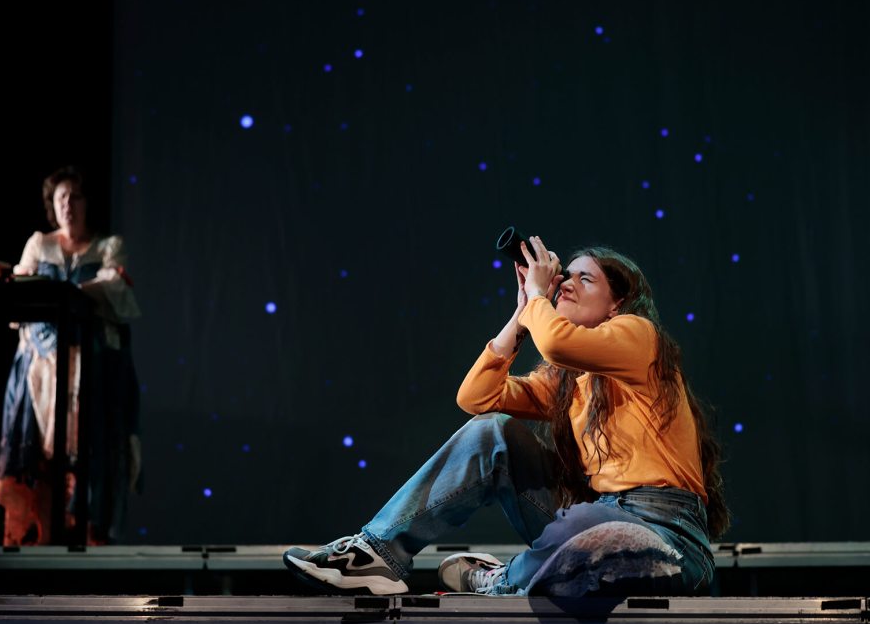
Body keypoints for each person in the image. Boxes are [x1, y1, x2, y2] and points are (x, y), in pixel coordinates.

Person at [284, 235, 728, 596]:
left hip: (664, 535)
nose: (565, 285)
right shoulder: (568, 382)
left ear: (618, 303)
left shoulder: (640, 334)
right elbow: (477, 397)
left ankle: (504, 578)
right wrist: (521, 314)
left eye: (585, 278)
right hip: (597, 519)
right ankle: (377, 553)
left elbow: (555, 342)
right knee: (493, 434)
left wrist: (537, 297)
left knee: (586, 529)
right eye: (565, 278)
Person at [0, 165, 142, 546]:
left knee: (90, 447)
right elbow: (20, 293)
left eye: (75, 197)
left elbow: (116, 293)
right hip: (43, 366)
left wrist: (76, 292)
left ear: (87, 202)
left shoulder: (108, 247)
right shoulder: (39, 244)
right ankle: (40, 538)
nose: (68, 205)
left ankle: (84, 538)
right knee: (40, 453)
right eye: (61, 198)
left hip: (92, 366)